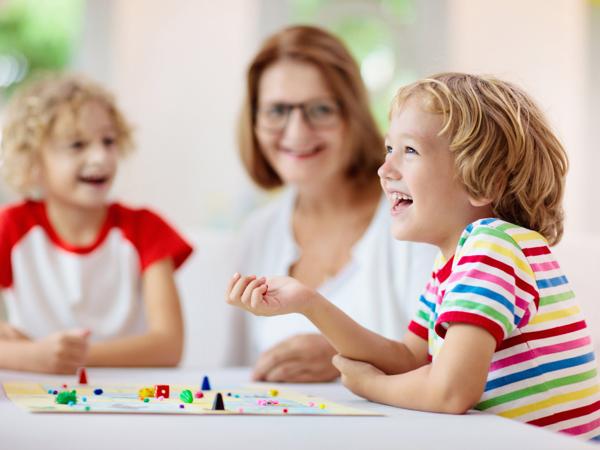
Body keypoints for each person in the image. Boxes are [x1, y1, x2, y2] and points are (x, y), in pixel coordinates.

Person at [227, 72, 600, 440]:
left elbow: (450, 392)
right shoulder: (452, 264)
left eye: (410, 151)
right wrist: (307, 302)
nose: (384, 168)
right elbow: (409, 358)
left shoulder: (493, 247)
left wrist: (371, 387)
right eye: (390, 149)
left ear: (485, 182)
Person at [235, 25, 436, 382]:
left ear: (353, 116)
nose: (296, 132)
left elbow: (449, 363)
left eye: (321, 109)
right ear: (254, 122)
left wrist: (341, 354)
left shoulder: (417, 221)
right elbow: (236, 374)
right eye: (277, 111)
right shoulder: (258, 233)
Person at [0, 73, 193, 374]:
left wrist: (67, 356)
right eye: (77, 145)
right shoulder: (11, 226)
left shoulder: (146, 228)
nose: (101, 157)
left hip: (131, 396)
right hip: (33, 394)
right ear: (33, 162)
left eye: (108, 140)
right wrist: (28, 356)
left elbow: (169, 345)